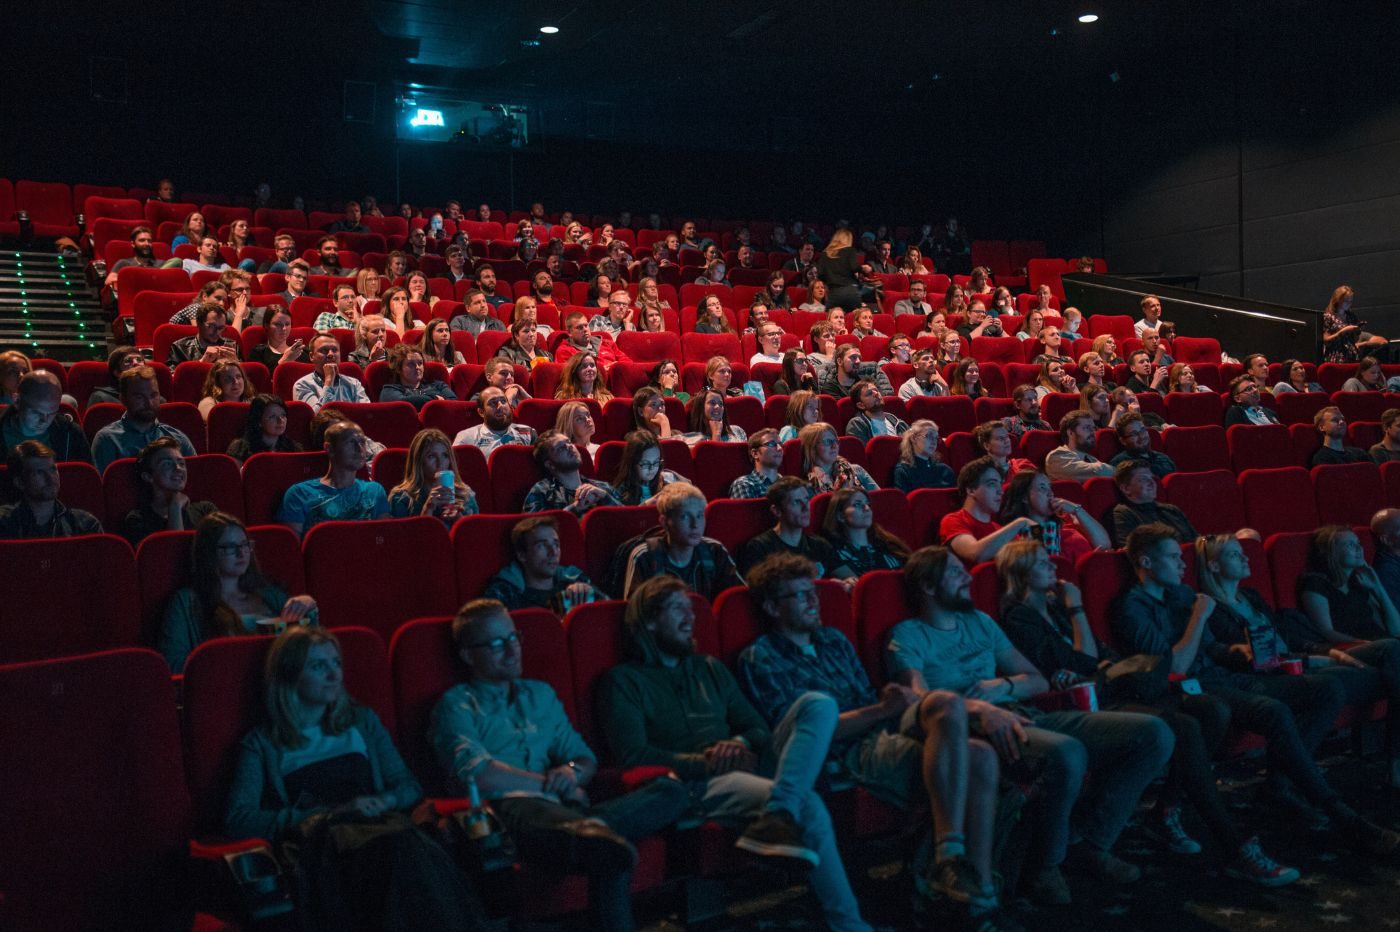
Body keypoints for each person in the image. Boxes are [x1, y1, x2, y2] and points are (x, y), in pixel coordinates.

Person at [996, 540, 1299, 885]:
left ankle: (1167, 809)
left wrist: (1091, 648)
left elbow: (1098, 654)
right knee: (1182, 727)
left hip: (1119, 687)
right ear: (1020, 574)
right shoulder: (1020, 615)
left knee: (1212, 710)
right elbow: (1080, 661)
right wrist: (1079, 610)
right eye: (1040, 562)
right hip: (1091, 701)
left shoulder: (1056, 607)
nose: (1053, 565)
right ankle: (1233, 844)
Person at [736, 554, 1015, 926]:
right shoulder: (762, 658)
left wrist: (890, 706)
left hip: (882, 725)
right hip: (849, 751)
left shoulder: (833, 640)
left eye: (813, 593)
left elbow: (869, 698)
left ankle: (956, 869)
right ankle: (974, 898)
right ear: (772, 607)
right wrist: (883, 711)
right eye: (800, 596)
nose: (813, 602)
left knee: (947, 704)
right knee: (978, 757)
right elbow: (806, 736)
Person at [890, 546, 1175, 902]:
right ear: (929, 587)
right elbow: (920, 702)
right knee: (1067, 753)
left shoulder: (981, 622)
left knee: (1153, 733)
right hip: (975, 727)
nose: (967, 577)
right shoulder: (908, 634)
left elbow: (1036, 680)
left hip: (1024, 709)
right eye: (954, 572)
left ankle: (1089, 840)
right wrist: (978, 708)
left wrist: (1002, 685)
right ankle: (1046, 866)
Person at [599, 576, 875, 932]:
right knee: (808, 805)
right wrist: (707, 762)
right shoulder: (623, 681)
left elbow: (758, 729)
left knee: (818, 705)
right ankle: (849, 925)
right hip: (697, 783)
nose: (690, 617)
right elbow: (634, 755)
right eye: (677, 609)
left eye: (691, 608)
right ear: (649, 621)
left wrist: (741, 744)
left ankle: (778, 812)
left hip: (750, 765)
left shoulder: (709, 667)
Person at [1113, 524, 1399, 853]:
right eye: (1174, 557)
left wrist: (1240, 652)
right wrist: (1198, 618)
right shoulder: (1132, 607)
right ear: (1146, 563)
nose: (1182, 564)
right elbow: (1175, 667)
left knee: (1326, 688)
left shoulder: (1181, 595)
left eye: (1182, 557)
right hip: (1190, 689)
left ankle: (1279, 785)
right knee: (1273, 710)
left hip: (1224, 675)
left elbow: (1212, 650)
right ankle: (1339, 812)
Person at [428, 600, 684, 931]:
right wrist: (549, 783)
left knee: (671, 790)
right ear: (467, 655)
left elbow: (583, 758)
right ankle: (593, 835)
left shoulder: (540, 694)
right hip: (510, 814)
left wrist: (570, 774)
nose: (511, 650)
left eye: (513, 637)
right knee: (610, 853)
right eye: (495, 644)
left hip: (565, 811)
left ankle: (593, 831)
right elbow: (477, 774)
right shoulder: (456, 705)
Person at [227, 627, 486, 930]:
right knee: (398, 853)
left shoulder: (361, 721)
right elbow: (239, 818)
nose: (334, 674)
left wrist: (385, 799)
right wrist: (328, 814)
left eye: (336, 663)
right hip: (324, 845)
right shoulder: (262, 743)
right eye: (318, 666)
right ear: (289, 675)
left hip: (382, 829)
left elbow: (407, 787)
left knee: (404, 848)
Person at [1198, 532, 1400, 793]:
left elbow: (1288, 638)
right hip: (1285, 669)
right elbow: (1258, 657)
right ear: (1214, 566)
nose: (1245, 557)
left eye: (1242, 552)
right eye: (1235, 554)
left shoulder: (1250, 596)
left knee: (1393, 650)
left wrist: (1329, 654)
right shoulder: (1212, 608)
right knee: (1381, 672)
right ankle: (1393, 761)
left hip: (1306, 656)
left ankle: (1395, 760)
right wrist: (1316, 660)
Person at [158, 512, 317, 672]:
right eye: (230, 547)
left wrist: (307, 606)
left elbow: (308, 644)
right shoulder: (185, 602)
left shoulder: (269, 594)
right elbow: (173, 663)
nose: (241, 553)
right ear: (209, 553)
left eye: (244, 545)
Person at [621, 483, 744, 600]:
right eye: (685, 517)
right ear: (664, 522)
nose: (695, 525)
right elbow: (636, 613)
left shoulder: (714, 550)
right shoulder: (645, 556)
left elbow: (738, 598)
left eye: (700, 516)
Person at [278, 420, 390, 536]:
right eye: (351, 442)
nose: (360, 449)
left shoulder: (375, 491)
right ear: (329, 449)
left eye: (362, 442)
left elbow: (384, 542)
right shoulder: (299, 494)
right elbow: (292, 549)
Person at [738, 477, 857, 584]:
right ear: (776, 511)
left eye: (806, 500)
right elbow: (757, 592)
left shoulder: (819, 545)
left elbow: (850, 578)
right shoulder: (760, 547)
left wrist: (846, 584)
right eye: (796, 502)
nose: (806, 508)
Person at [1299, 525, 1400, 645]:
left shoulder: (1359, 582)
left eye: (1359, 543)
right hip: (1356, 648)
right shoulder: (1315, 583)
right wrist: (1367, 644)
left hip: (1383, 644)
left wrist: (1377, 586)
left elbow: (1396, 629)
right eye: (1350, 544)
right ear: (1330, 551)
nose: (1359, 548)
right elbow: (1326, 632)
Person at [483, 516, 600, 612]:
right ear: (522, 555)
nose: (553, 552)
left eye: (556, 544)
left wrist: (588, 593)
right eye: (542, 545)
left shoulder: (575, 581)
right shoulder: (504, 594)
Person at [92, 366, 197, 472]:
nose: (149, 403)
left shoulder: (177, 438)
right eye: (139, 397)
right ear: (123, 399)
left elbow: (195, 481)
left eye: (153, 395)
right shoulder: (107, 439)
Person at [120, 438, 218, 545]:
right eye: (167, 464)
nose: (178, 468)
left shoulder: (205, 510)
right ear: (148, 476)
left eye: (181, 463)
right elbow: (172, 554)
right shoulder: (137, 520)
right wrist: (175, 507)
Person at [999, 470, 1110, 564]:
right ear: (1024, 497)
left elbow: (1104, 545)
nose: (1050, 493)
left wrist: (1077, 510)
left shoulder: (1068, 524)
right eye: (1042, 488)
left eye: (1050, 487)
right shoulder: (1018, 535)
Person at [940, 457, 1035, 565]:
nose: (1000, 491)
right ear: (971, 490)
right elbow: (974, 554)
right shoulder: (953, 520)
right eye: (992, 484)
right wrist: (1020, 523)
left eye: (1000, 484)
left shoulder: (998, 529)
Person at [0, 440, 102, 538]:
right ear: (20, 482)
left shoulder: (85, 526)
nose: (51, 478)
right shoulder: (4, 523)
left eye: (53, 469)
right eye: (39, 472)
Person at [388, 428, 477, 522]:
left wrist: (459, 519)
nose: (440, 463)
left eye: (445, 455)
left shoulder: (464, 494)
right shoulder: (401, 498)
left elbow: (475, 535)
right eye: (431, 456)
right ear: (419, 462)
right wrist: (428, 509)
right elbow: (405, 536)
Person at [0, 370, 90, 463]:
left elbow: (84, 475)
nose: (44, 420)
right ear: (17, 401)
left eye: (52, 413)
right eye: (36, 412)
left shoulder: (71, 433)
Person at [523, 430, 621, 516]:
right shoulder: (542, 491)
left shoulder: (602, 487)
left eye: (569, 442)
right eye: (560, 448)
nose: (569, 447)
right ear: (549, 464)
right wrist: (575, 508)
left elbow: (629, 519)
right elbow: (535, 530)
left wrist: (605, 497)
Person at [820, 487, 910, 574]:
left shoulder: (887, 544)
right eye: (857, 504)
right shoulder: (834, 553)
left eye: (868, 504)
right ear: (841, 516)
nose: (867, 509)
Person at [452, 386, 536, 453]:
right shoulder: (466, 438)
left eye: (503, 401)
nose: (500, 406)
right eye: (493, 403)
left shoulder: (528, 432)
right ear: (481, 412)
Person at [800, 421, 876, 493]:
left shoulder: (856, 470)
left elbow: (878, 500)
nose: (834, 446)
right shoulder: (807, 484)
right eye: (827, 442)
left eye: (836, 441)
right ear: (812, 447)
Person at [226, 394, 301, 463]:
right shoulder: (240, 449)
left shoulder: (293, 448)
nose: (280, 420)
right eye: (273, 416)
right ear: (259, 421)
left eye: (283, 415)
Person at [1321, 284, 1386, 364]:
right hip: (1336, 356)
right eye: (1346, 301)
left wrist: (1357, 330)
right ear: (1337, 300)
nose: (1349, 303)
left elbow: (1355, 339)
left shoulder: (1350, 315)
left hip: (1352, 354)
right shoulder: (1328, 316)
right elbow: (1326, 341)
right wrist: (1343, 331)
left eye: (1350, 301)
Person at [612, 430, 679, 505]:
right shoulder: (622, 491)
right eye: (645, 464)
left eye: (656, 462)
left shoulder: (665, 481)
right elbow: (625, 515)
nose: (652, 468)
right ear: (632, 463)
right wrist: (645, 505)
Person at [1044, 411, 1114, 483]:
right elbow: (1098, 471)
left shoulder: (1091, 459)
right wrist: (1121, 473)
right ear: (1070, 433)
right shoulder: (1056, 457)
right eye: (1087, 427)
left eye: (1094, 428)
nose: (1093, 432)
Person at [168, 303, 239, 367]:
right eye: (211, 326)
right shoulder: (180, 347)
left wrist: (237, 364)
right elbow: (172, 377)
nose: (217, 332)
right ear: (199, 324)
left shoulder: (231, 347)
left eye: (221, 328)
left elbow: (245, 378)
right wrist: (202, 363)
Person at [1108, 413, 1176, 477]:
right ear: (1123, 441)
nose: (1141, 436)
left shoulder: (1164, 458)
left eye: (1142, 430)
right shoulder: (1120, 463)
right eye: (1134, 433)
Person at [843, 379, 907, 443]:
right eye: (869, 393)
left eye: (876, 390)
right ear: (861, 405)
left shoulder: (898, 422)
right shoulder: (857, 425)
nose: (876, 394)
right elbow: (859, 452)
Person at [728, 428, 784, 499]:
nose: (779, 448)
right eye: (771, 444)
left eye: (781, 444)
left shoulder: (788, 484)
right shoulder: (744, 485)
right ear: (755, 453)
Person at [821, 345, 893, 398]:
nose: (858, 361)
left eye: (859, 358)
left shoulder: (870, 383)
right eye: (853, 357)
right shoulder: (829, 388)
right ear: (839, 361)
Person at [248, 304, 305, 369]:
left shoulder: (300, 352)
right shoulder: (258, 353)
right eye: (278, 324)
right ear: (267, 325)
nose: (284, 328)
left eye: (287, 324)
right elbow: (262, 379)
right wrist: (284, 360)